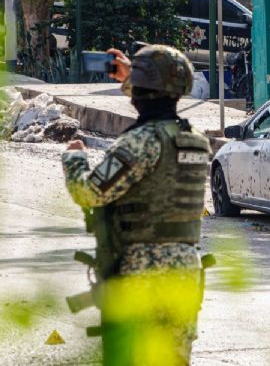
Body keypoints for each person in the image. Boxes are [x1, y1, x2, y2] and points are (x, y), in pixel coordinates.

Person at [61, 45, 210, 365]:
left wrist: (74, 158)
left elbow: (89, 192)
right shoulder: (195, 140)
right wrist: (133, 77)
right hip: (185, 271)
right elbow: (156, 99)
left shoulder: (142, 140)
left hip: (142, 272)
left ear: (141, 91)